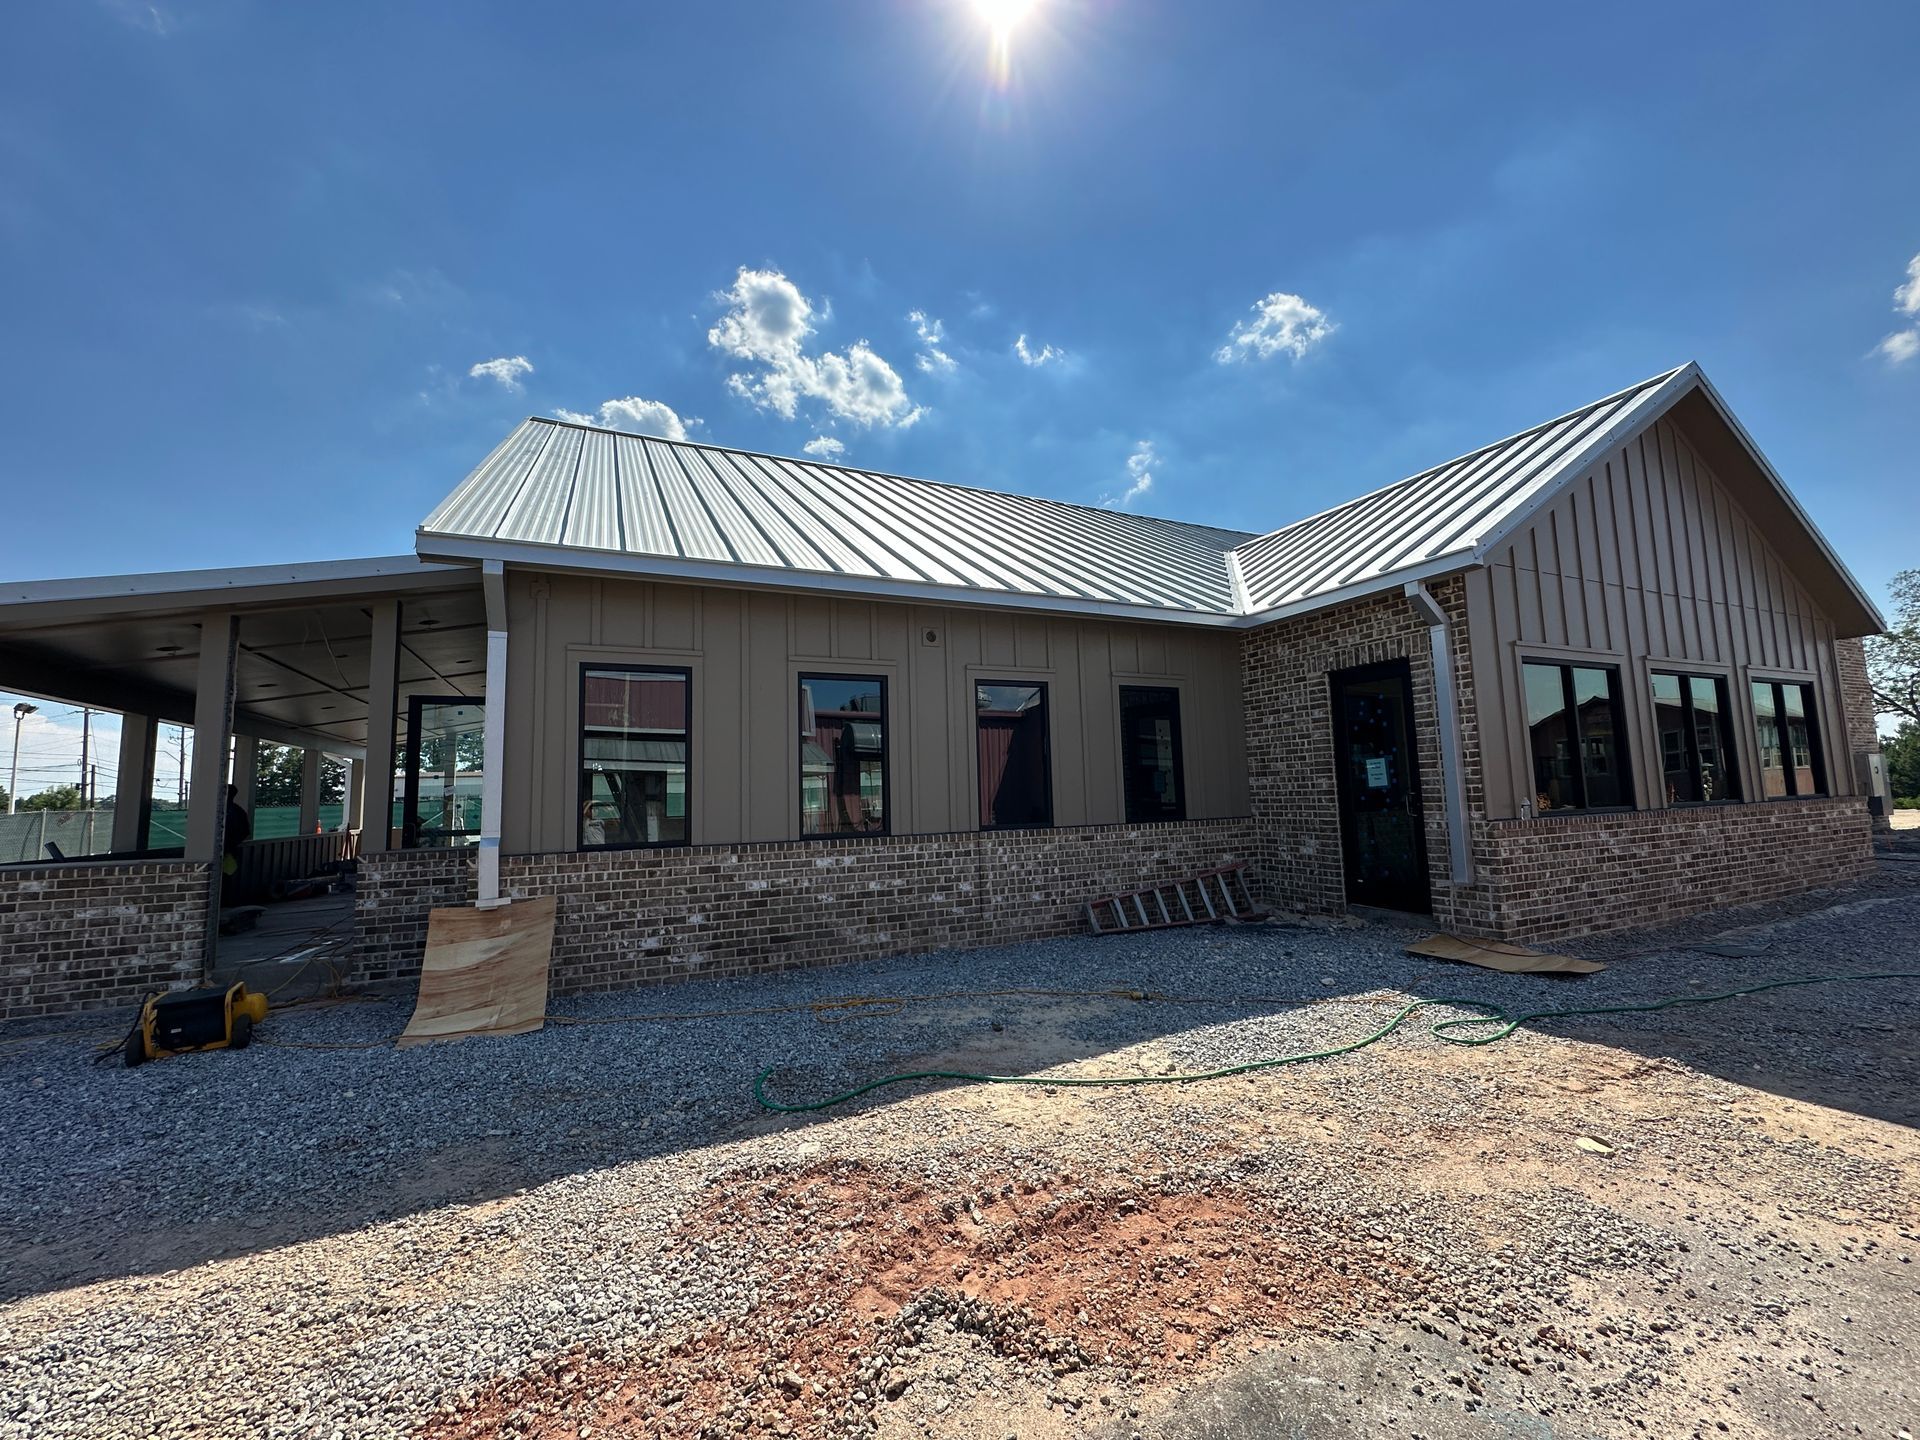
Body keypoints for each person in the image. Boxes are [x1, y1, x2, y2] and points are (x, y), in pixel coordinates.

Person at [222, 784, 251, 902]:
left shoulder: (214, 809)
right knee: (226, 876)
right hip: (230, 850)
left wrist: (231, 843)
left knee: (224, 876)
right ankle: (225, 901)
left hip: (228, 850)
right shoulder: (238, 811)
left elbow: (245, 831)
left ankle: (223, 901)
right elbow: (246, 831)